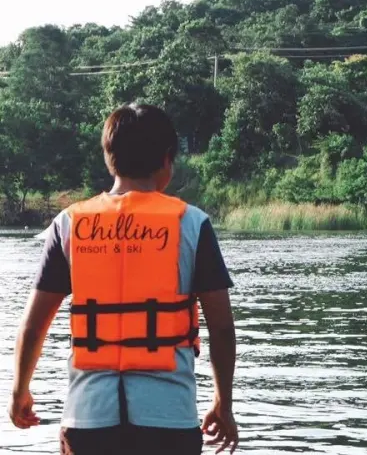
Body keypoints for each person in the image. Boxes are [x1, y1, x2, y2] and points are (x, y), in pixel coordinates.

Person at [7, 104, 239, 455]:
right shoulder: (192, 224)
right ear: (167, 160)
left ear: (108, 158)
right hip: (168, 418)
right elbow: (221, 328)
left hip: (88, 418)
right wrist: (223, 402)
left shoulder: (70, 224)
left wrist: (19, 391)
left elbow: (33, 326)